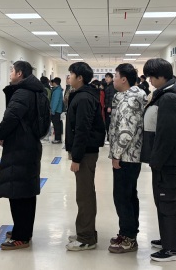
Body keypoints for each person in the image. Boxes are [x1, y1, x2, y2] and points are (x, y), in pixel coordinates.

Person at [142, 58, 176, 263]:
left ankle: (172, 249)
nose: (150, 80)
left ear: (161, 76)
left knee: (168, 200)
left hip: (167, 160)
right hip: (163, 159)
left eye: (151, 77)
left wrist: (157, 159)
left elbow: (167, 134)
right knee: (163, 200)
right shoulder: (165, 94)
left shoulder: (170, 98)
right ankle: (168, 239)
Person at [0, 61, 45, 250]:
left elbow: (11, 117)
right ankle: (23, 229)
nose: (10, 74)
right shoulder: (36, 91)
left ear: (19, 74)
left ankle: (21, 236)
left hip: (19, 146)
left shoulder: (22, 93)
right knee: (26, 191)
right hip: (30, 144)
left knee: (17, 192)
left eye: (12, 71)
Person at [65, 62, 106, 251]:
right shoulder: (82, 95)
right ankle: (85, 231)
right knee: (84, 193)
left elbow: (82, 129)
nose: (69, 77)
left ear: (80, 77)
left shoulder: (84, 98)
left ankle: (86, 237)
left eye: (71, 74)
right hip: (84, 151)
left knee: (84, 194)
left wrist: (76, 157)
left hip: (85, 153)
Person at [107, 64, 146, 254]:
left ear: (124, 79)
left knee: (123, 197)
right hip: (128, 155)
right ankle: (127, 233)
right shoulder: (125, 96)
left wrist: (116, 154)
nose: (113, 79)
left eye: (115, 76)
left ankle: (129, 237)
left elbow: (126, 130)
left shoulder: (130, 100)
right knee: (128, 196)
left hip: (126, 156)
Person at [50, 77, 64, 144]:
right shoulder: (57, 90)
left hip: (56, 111)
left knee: (56, 126)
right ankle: (57, 139)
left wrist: (52, 111)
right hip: (56, 110)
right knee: (56, 125)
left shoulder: (57, 91)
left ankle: (58, 139)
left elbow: (55, 101)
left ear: (54, 83)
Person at [103, 72, 116, 145]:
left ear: (111, 78)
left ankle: (109, 138)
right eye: (106, 77)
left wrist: (109, 106)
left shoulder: (111, 86)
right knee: (106, 122)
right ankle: (108, 137)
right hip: (105, 107)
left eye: (108, 77)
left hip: (109, 107)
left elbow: (111, 97)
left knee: (109, 123)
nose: (106, 78)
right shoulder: (106, 86)